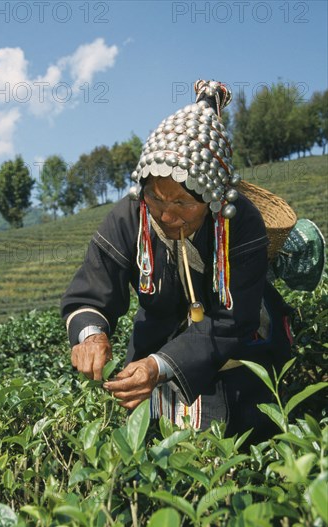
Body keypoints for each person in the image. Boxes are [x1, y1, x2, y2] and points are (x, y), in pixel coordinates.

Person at [61, 80, 294, 441]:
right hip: (154, 341)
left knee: (239, 445)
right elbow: (95, 285)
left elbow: (234, 319)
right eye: (157, 200)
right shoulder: (130, 214)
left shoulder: (240, 221)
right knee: (154, 452)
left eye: (183, 204)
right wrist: (90, 335)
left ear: (214, 199)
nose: (168, 216)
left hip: (233, 351)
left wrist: (161, 366)